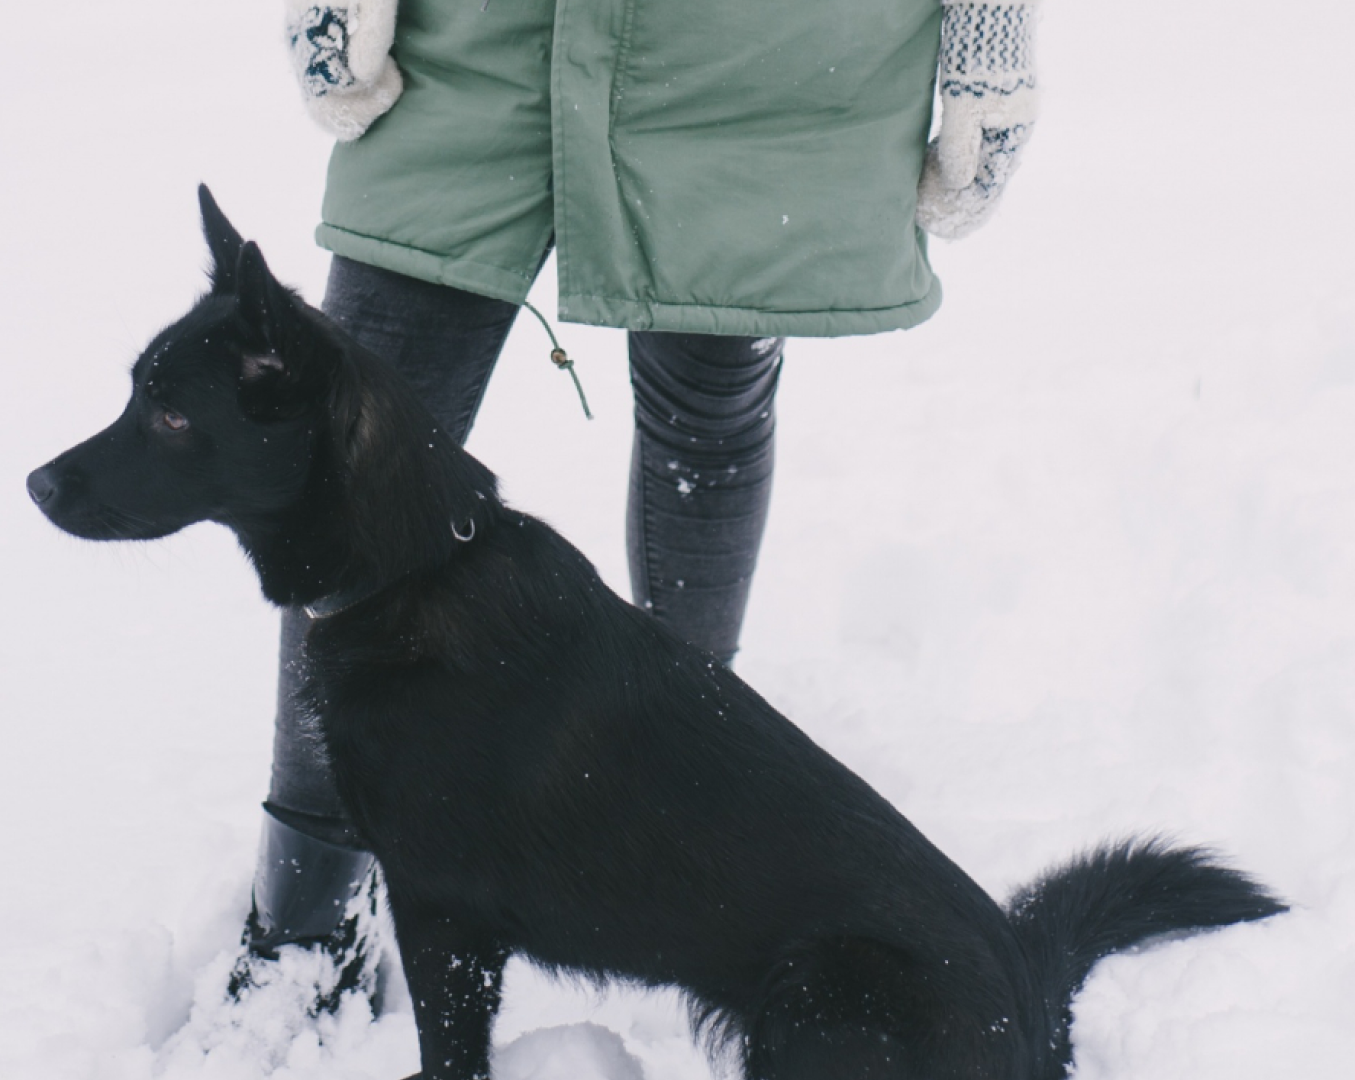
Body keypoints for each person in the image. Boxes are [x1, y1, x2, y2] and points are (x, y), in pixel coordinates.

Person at [234, 0, 1044, 1010]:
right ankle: (304, 923)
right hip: (489, 34)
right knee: (345, 446)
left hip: (765, 48)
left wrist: (991, 31)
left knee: (706, 402)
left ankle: (665, 796)